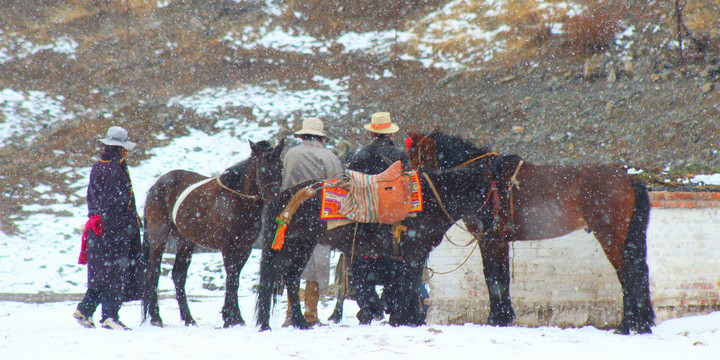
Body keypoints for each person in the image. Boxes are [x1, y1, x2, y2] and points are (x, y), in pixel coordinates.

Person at [346, 112, 421, 325]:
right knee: (395, 268)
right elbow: (407, 183)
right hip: (394, 220)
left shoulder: (361, 155)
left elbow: (352, 184)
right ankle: (394, 308)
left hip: (367, 221)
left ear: (371, 132)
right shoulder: (400, 154)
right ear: (389, 133)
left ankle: (369, 310)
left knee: (362, 269)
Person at [73, 126, 142, 330]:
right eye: (124, 148)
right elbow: (112, 205)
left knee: (101, 275)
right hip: (111, 231)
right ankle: (110, 317)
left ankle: (85, 311)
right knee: (114, 274)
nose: (126, 152)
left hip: (100, 229)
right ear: (119, 149)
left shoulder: (100, 166)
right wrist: (117, 233)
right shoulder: (113, 170)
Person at [281, 117, 344, 327]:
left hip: (292, 214)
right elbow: (337, 186)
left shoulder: (290, 154)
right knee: (315, 265)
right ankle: (309, 314)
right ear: (320, 136)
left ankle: (291, 312)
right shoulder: (329, 156)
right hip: (317, 217)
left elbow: (284, 184)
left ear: (302, 135)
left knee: (292, 266)